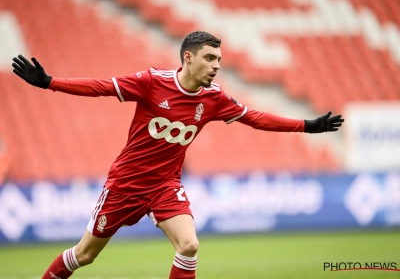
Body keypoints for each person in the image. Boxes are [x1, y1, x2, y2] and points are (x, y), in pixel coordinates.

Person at [12, 31, 344, 279]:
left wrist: (307, 126)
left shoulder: (215, 99)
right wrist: (50, 82)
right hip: (125, 185)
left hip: (165, 186)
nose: (216, 66)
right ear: (188, 57)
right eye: (209, 58)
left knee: (189, 246)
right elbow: (100, 86)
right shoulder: (151, 81)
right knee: (84, 255)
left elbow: (255, 118)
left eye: (219, 60)